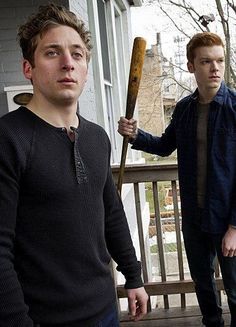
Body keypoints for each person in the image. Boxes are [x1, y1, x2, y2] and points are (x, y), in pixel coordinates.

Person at [0, 3, 149, 326]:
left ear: (86, 67)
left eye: (77, 54)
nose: (68, 63)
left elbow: (111, 213)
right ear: (29, 68)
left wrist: (133, 276)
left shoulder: (96, 138)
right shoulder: (9, 139)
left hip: (105, 309)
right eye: (52, 53)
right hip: (43, 318)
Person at [118, 32, 236, 327]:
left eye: (220, 61)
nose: (215, 68)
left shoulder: (234, 109)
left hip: (227, 219)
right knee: (203, 286)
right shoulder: (184, 109)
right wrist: (135, 134)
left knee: (235, 290)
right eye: (206, 61)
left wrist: (235, 226)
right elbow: (163, 145)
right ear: (191, 66)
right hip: (194, 218)